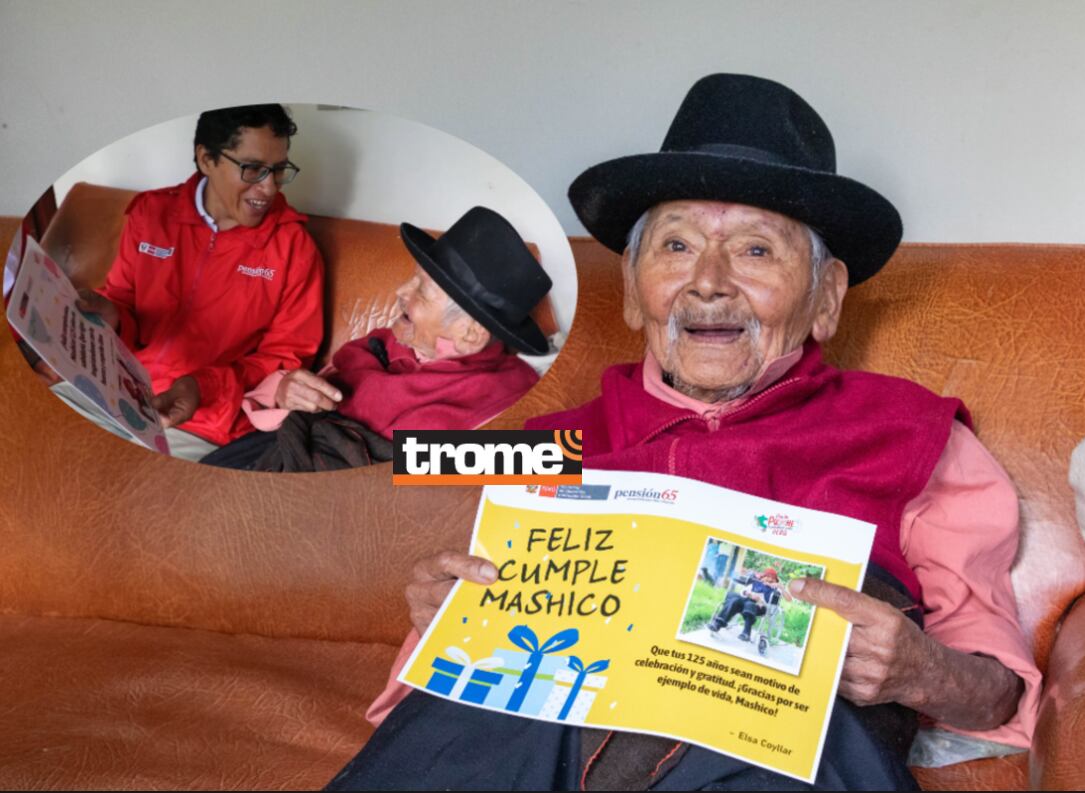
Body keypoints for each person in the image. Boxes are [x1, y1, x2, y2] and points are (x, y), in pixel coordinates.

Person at [331, 74, 1041, 790]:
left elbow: (996, 695)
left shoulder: (910, 434)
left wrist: (921, 670)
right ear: (632, 289)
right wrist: (439, 616)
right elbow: (441, 712)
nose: (707, 282)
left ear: (825, 297)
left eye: (756, 251)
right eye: (675, 245)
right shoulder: (544, 447)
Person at [60, 104, 324, 461]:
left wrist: (201, 386)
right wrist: (112, 316)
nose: (268, 187)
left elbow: (284, 361)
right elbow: (123, 299)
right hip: (110, 390)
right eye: (253, 169)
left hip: (202, 423)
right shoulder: (150, 213)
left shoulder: (294, 249)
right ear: (206, 159)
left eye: (278, 170)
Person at [200, 206, 550, 471]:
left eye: (421, 290)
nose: (400, 291)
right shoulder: (387, 343)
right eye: (412, 279)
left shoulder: (501, 403)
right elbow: (291, 398)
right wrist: (284, 390)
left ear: (470, 334)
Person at [709, 566, 784, 641]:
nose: (770, 579)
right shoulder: (756, 583)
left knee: (749, 604)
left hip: (760, 607)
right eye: (768, 577)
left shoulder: (776, 589)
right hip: (746, 602)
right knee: (735, 600)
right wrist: (748, 593)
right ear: (763, 577)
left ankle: (746, 633)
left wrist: (761, 600)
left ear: (775, 580)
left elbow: (786, 599)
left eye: (772, 578)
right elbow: (743, 592)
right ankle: (717, 624)